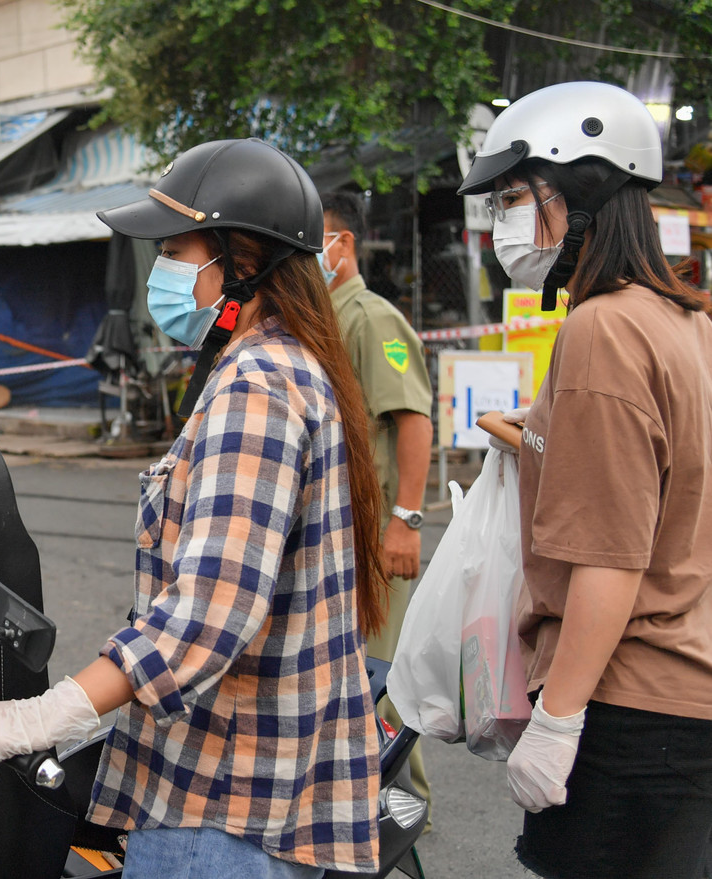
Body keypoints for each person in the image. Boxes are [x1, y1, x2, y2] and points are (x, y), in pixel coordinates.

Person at [0, 139, 389, 877]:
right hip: (248, 794)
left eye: (177, 248)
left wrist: (39, 715)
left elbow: (209, 615)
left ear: (240, 260)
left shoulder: (257, 385)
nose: (162, 270)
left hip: (224, 806)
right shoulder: (283, 368)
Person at [458, 80, 712, 879]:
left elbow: (610, 556)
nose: (503, 223)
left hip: (628, 709)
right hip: (690, 704)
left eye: (513, 198)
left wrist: (559, 718)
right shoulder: (686, 321)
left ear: (581, 190)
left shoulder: (602, 329)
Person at [317, 190, 434, 813]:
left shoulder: (370, 319)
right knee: (351, 677)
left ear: (343, 244)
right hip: (335, 532)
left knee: (380, 680)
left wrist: (406, 522)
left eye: (315, 241)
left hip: (373, 532)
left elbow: (414, 420)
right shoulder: (321, 316)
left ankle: (404, 809)